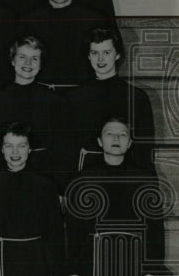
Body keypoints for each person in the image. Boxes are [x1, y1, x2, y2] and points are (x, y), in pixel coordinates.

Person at [65, 118, 169, 276]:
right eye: (109, 134)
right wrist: (72, 270)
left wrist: (152, 269)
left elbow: (154, 226)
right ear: (99, 141)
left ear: (129, 143)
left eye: (122, 135)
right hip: (91, 260)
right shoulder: (83, 178)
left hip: (133, 258)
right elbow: (74, 228)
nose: (115, 139)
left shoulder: (144, 178)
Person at [0, 123, 69, 276]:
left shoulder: (45, 186)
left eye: (21, 146)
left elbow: (55, 237)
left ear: (30, 149)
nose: (15, 153)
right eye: (9, 146)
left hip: (35, 267)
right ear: (1, 149)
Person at [0, 36, 70, 184]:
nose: (28, 63)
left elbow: (62, 149)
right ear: (12, 60)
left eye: (35, 58)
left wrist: (59, 185)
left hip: (44, 176)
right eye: (22, 57)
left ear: (41, 65)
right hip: (2, 176)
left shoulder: (55, 101)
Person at [66, 28, 156, 171]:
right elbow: (67, 147)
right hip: (86, 176)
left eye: (106, 53)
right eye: (95, 53)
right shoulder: (74, 97)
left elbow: (144, 150)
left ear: (118, 55)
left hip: (125, 174)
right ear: (89, 56)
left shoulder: (137, 97)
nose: (100, 59)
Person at [18, 0, 111, 87]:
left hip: (83, 93)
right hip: (42, 93)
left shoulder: (94, 19)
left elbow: (107, 60)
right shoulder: (29, 20)